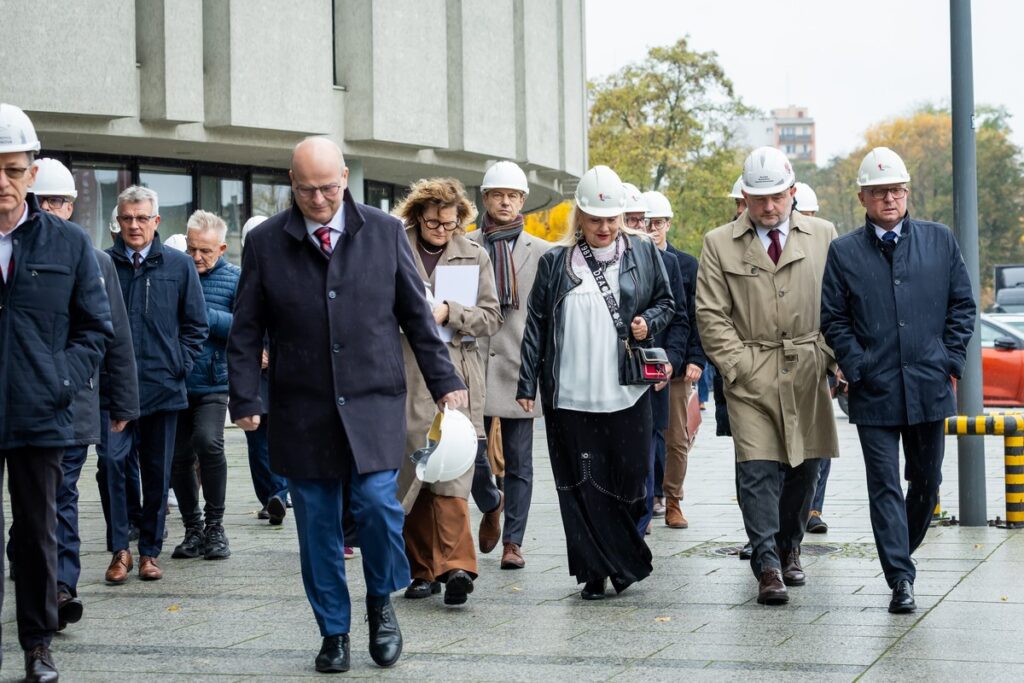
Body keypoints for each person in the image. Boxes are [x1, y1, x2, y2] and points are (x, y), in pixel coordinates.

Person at [227, 137, 466, 674]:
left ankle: (381, 604)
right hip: (302, 409)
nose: (319, 199)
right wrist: (244, 396)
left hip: (374, 401)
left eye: (329, 188)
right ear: (292, 183)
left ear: (344, 179)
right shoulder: (266, 242)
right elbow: (245, 330)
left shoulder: (383, 233)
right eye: (308, 190)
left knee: (379, 506)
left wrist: (444, 379)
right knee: (317, 529)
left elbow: (415, 314)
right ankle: (333, 631)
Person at [821, 146, 975, 613]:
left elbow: (962, 306)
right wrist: (857, 362)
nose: (890, 199)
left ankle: (899, 550)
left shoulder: (939, 240)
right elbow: (833, 317)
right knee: (883, 484)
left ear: (907, 193)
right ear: (863, 197)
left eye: (896, 190)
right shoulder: (844, 251)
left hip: (929, 385)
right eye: (880, 192)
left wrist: (949, 360)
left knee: (926, 482)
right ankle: (900, 578)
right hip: (875, 390)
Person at [517, 165, 675, 600]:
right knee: (582, 483)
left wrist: (648, 322)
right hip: (570, 394)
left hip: (626, 390)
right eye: (594, 219)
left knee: (631, 479)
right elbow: (536, 325)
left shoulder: (643, 253)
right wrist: (526, 384)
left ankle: (622, 556)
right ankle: (594, 570)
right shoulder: (555, 261)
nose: (604, 228)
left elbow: (668, 302)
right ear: (580, 219)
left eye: (611, 219)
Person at [0, 103, 113, 683]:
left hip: (41, 413)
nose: (4, 181)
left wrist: (59, 379)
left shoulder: (67, 243)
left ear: (31, 173)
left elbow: (95, 328)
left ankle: (39, 644)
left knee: (39, 533)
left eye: (14, 169)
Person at [696, 147, 839, 606]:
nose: (769, 207)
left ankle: (790, 545)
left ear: (792, 192)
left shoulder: (823, 236)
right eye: (759, 198)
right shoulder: (719, 243)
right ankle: (767, 562)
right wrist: (736, 367)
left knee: (805, 466)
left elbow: (841, 304)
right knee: (756, 467)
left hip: (808, 364)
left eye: (777, 196)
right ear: (745, 197)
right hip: (750, 369)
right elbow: (711, 315)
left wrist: (832, 360)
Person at [27, 158, 139, 633]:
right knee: (36, 499)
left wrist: (124, 403)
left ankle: (60, 586)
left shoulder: (93, 261)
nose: (54, 210)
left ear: (73, 207)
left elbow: (113, 336)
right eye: (47, 201)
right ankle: (34, 565)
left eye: (62, 202)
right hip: (21, 401)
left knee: (62, 494)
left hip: (73, 402)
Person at [393, 177, 501, 605]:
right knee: (417, 472)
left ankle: (457, 566)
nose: (441, 230)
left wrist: (450, 312)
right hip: (405, 371)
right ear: (417, 216)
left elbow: (492, 316)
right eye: (433, 222)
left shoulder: (474, 254)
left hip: (456, 369)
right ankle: (421, 571)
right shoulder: (393, 247)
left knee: (453, 470)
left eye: (450, 223)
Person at [104, 185, 208, 584]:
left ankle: (149, 552)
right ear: (119, 221)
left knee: (156, 473)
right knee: (112, 465)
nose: (134, 225)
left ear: (156, 221)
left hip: (163, 389)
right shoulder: (104, 263)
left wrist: (179, 365)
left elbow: (196, 324)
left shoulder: (178, 265)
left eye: (142, 218)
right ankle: (120, 551)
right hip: (115, 391)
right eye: (127, 218)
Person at [467, 161, 553, 568]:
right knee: (470, 452)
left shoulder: (544, 252)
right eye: (497, 194)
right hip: (472, 364)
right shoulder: (463, 245)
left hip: (521, 364)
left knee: (520, 460)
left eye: (513, 196)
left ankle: (513, 542)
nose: (505, 202)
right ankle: (490, 501)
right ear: (484, 199)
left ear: (523, 202)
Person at [169, 210, 240, 560]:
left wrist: (201, 313)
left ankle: (216, 527)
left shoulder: (235, 279)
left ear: (222, 248)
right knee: (178, 456)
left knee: (208, 442)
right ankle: (192, 528)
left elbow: (242, 327)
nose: (197, 257)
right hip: (175, 380)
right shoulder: (175, 272)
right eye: (192, 249)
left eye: (205, 252)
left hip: (213, 380)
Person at [625, 186, 688, 536]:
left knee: (653, 444)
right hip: (611, 374)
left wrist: (672, 361)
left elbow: (680, 317)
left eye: (643, 220)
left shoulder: (669, 262)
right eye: (633, 219)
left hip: (655, 371)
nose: (640, 226)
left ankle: (645, 515)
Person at [643, 190, 705, 529]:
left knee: (676, 437)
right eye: (646, 221)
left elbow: (694, 314)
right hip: (640, 364)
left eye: (658, 222)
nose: (652, 228)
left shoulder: (686, 264)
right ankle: (648, 497)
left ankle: (673, 500)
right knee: (642, 436)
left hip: (676, 363)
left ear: (668, 223)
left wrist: (696, 357)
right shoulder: (631, 260)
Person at [239, 215, 291, 525]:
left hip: (285, 369)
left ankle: (279, 492)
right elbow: (241, 321)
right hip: (255, 373)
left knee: (281, 436)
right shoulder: (241, 277)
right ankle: (272, 496)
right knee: (257, 440)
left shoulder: (290, 272)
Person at [792, 181, 831, 534]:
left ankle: (814, 506)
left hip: (817, 354)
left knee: (818, 437)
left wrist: (829, 355)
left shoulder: (826, 243)